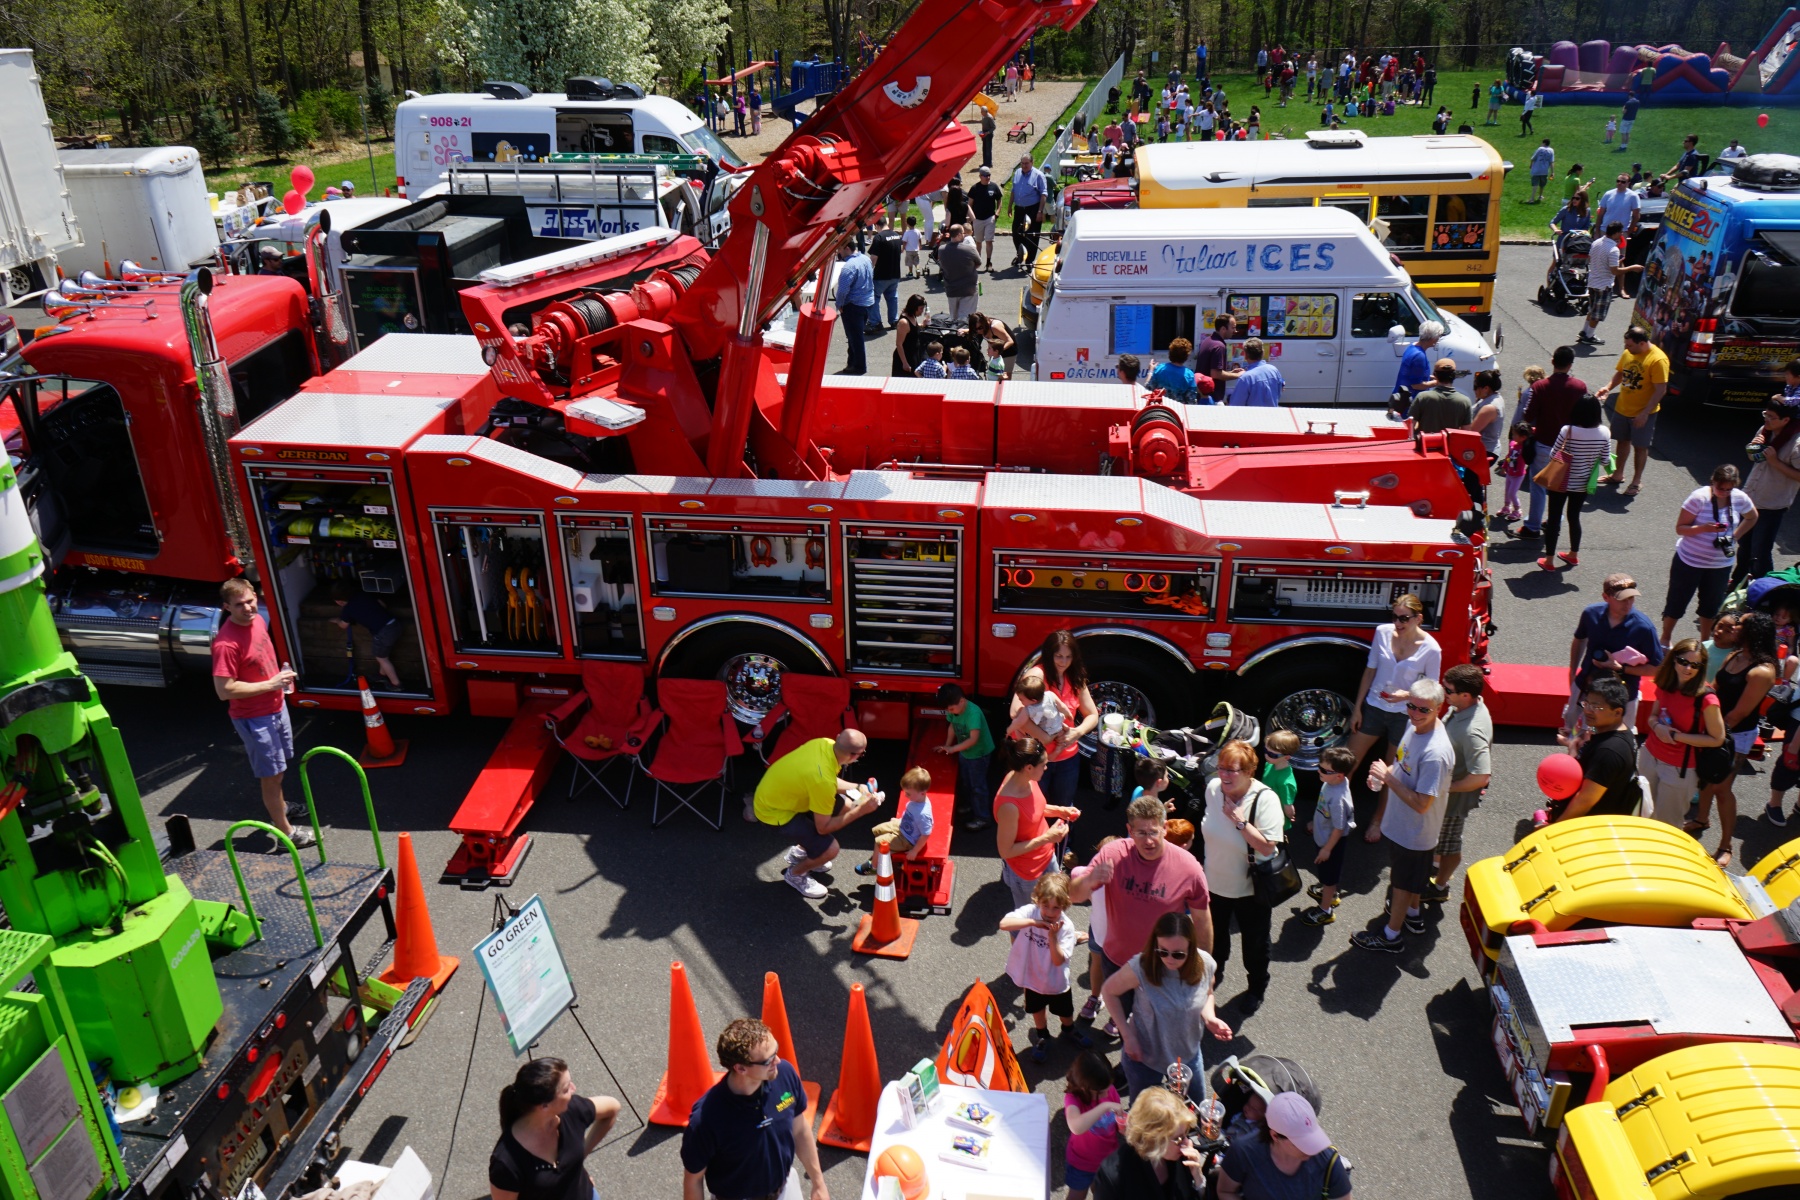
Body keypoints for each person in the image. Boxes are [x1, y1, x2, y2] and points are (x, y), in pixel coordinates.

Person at [1351, 679, 1453, 954]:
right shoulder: (1414, 725)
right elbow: (1403, 764)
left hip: (1415, 834)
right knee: (1411, 880)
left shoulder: (1436, 754)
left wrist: (1389, 779)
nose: (1415, 713)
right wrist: (1385, 777)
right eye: (1412, 706)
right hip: (1401, 827)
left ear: (1439, 709)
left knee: (1401, 884)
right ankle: (1413, 915)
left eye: (1424, 709)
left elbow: (1422, 804)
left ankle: (1391, 936)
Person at [1069, 797, 1213, 987]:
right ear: (1130, 831)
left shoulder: (1189, 868)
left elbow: (1202, 922)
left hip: (1161, 966)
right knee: (1118, 1013)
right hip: (1116, 961)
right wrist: (1089, 879)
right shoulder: (1112, 853)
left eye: (1154, 832)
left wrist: (1202, 972)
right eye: (1141, 832)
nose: (1148, 841)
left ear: (1165, 828)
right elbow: (1073, 896)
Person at [212, 578, 314, 848]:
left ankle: (280, 806)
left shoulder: (257, 620)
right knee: (271, 776)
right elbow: (224, 690)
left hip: (275, 707)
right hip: (255, 718)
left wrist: (277, 677)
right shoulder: (226, 644)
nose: (247, 608)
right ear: (226, 607)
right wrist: (270, 684)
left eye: (250, 600)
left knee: (279, 770)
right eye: (239, 604)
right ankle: (286, 834)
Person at [680, 1019, 827, 1200]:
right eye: (769, 1060)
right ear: (741, 1068)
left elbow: (799, 1130)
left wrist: (818, 1183)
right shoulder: (706, 1119)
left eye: (776, 1051)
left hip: (785, 1188)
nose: (778, 1061)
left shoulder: (785, 1075)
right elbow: (693, 1179)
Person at [1101, 912, 1231, 1105]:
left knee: (1193, 1112)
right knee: (1144, 1118)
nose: (1169, 959)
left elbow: (1207, 993)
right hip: (1144, 1058)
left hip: (1187, 1056)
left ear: (1191, 948)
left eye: (1178, 954)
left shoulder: (1206, 965)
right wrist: (1128, 1036)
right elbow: (1109, 991)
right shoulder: (1142, 966)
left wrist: (1210, 1017)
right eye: (1162, 951)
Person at [1198, 740, 1284, 1008]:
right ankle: (1215, 974)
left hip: (1250, 889)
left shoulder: (1265, 799)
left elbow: (1267, 847)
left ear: (1249, 772)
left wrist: (1239, 821)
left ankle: (1256, 988)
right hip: (1214, 883)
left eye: (1231, 770)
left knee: (1255, 946)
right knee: (1216, 939)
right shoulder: (1213, 789)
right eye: (1221, 767)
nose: (1223, 775)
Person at [752, 729, 884, 900]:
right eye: (863, 753)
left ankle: (802, 852)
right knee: (830, 850)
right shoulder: (822, 780)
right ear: (854, 756)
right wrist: (861, 811)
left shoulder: (823, 743)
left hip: (779, 796)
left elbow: (827, 778)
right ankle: (795, 874)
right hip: (773, 813)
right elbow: (823, 828)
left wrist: (857, 787)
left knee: (846, 807)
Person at [1349, 593, 1441, 824]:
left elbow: (1433, 690)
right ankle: (1334, 816)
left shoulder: (1431, 649)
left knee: (1390, 774)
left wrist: (1407, 695)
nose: (1398, 623)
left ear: (1418, 618)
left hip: (1404, 716)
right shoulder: (1382, 632)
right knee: (1346, 762)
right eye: (1395, 617)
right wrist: (1357, 708)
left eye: (1404, 618)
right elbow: (1370, 671)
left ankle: (1378, 820)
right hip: (1374, 707)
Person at [1696, 611, 1779, 864]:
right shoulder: (1735, 655)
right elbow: (1714, 687)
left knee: (1722, 789)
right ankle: (1701, 819)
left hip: (1735, 735)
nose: (1733, 627)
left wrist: (1711, 734)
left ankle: (1725, 846)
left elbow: (1739, 713)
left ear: (1751, 632)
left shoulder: (1762, 671)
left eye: (1739, 625)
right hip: (1714, 726)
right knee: (1706, 780)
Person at [490, 1058, 622, 1200]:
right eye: (566, 1089)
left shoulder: (573, 1111)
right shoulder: (506, 1163)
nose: (574, 1088)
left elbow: (613, 1107)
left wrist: (579, 1159)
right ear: (545, 1106)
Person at [1663, 464, 1758, 646]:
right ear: (1713, 482)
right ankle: (1666, 637)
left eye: (1728, 489)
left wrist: (1735, 536)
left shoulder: (1739, 498)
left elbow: (1752, 516)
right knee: (1677, 602)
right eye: (1720, 488)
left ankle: (1705, 642)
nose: (1724, 492)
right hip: (1689, 561)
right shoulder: (1698, 498)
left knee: (1710, 606)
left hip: (1719, 564)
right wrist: (1703, 528)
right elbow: (1680, 528)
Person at [1001, 873, 1091, 1060]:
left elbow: (1058, 961)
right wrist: (1035, 922)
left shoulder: (1066, 927)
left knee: (1065, 1011)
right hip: (1032, 979)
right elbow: (1004, 924)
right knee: (1037, 1010)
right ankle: (1042, 1036)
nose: (1050, 912)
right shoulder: (1031, 912)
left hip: (1055, 981)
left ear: (1065, 906)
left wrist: (1051, 937)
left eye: (1056, 908)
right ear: (1038, 901)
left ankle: (1069, 1029)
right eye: (1045, 906)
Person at [1423, 665, 1493, 902]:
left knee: (1449, 846)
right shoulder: (1465, 707)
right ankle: (1435, 868)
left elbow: (1481, 777)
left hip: (1452, 801)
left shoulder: (1472, 731)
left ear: (1465, 695)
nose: (1444, 693)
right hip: (1444, 794)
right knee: (1439, 842)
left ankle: (1439, 888)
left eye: (1448, 690)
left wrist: (1445, 788)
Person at [1639, 638, 1725, 825]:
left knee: (1667, 823)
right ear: (1674, 659)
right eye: (1684, 662)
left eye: (1695, 665)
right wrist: (1657, 727)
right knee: (1643, 814)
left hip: (1679, 768)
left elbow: (1717, 738)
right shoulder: (1665, 684)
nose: (1688, 669)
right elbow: (1652, 716)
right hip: (1650, 756)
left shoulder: (1706, 698)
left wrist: (1676, 736)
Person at [1009, 629, 1099, 807]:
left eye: (1068, 656)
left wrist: (1077, 732)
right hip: (1034, 757)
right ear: (1049, 654)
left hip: (1067, 757)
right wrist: (1044, 737)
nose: (1063, 662)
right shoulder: (1037, 675)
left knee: (1063, 806)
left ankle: (1064, 835)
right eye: (1059, 656)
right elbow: (1015, 712)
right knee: (1034, 807)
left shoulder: (1076, 677)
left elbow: (1093, 715)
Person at [1216, 1091, 1352, 1199]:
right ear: (1275, 1136)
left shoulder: (1329, 1161)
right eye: (1301, 1142)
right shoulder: (1243, 1152)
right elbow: (1226, 1191)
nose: (1313, 1149)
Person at [993, 738, 1078, 907]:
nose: (1046, 768)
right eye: (1044, 764)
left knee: (1055, 906)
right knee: (1028, 924)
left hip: (1047, 857)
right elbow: (1005, 851)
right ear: (1029, 768)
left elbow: (1035, 808)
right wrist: (1047, 838)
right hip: (1027, 873)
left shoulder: (1027, 780)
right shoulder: (1009, 806)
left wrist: (1060, 810)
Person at [1516, 345, 1588, 538]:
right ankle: (1554, 521)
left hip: (1543, 443)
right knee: (1560, 487)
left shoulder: (1540, 387)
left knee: (1538, 486)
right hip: (1568, 447)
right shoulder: (1580, 387)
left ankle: (1532, 526)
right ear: (1571, 364)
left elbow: (1528, 415)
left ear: (1552, 361)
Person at [1536, 393, 1612, 571]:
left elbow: (1553, 454)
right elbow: (1605, 461)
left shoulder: (1567, 431)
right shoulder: (1604, 432)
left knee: (1554, 519)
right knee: (1574, 517)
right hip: (1583, 483)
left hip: (1560, 483)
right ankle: (1573, 555)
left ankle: (1549, 561)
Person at [1550, 676, 1640, 823]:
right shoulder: (1618, 730)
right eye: (1586, 704)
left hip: (1588, 825)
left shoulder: (1609, 752)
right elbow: (1591, 730)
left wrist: (1554, 827)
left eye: (1596, 707)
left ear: (1617, 712)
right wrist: (1578, 735)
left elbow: (1584, 801)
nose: (1587, 711)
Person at [1091, 1086, 1206, 1199]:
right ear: (1154, 1140)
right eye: (1179, 1138)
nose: (1188, 1142)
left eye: (1186, 1133)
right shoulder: (1113, 1176)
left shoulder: (1183, 1157)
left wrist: (1199, 1180)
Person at [1736, 397, 1800, 586]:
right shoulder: (1765, 431)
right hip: (1751, 498)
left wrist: (1775, 462)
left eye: (1771, 416)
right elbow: (1753, 457)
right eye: (1765, 414)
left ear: (1786, 420)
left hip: (1771, 505)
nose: (1766, 419)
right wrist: (1753, 448)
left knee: (1760, 552)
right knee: (1744, 546)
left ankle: (1765, 588)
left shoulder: (1796, 445)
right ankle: (1738, 582)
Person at [1301, 745, 1357, 925]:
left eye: (1325, 770)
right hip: (1324, 836)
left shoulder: (1338, 798)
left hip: (1331, 843)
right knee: (1327, 874)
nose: (1319, 771)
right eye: (1320, 766)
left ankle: (1326, 909)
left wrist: (1326, 849)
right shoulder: (1331, 783)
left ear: (1339, 775)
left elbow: (1339, 828)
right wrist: (1314, 822)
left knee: (1329, 877)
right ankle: (1329, 893)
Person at [1063, 1051, 1124, 1200]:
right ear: (1085, 1087)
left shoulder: (1108, 1091)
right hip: (1081, 1164)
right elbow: (1076, 1127)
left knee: (1101, 1192)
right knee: (1077, 1195)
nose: (1107, 1093)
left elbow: (1117, 1122)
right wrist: (1105, 1107)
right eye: (1102, 1092)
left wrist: (1124, 1126)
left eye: (1109, 1088)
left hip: (1107, 1159)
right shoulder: (1073, 1099)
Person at [936, 681, 994, 830]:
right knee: (966, 781)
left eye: (952, 709)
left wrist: (953, 748)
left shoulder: (973, 713)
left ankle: (983, 817)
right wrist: (947, 745)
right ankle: (969, 805)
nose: (950, 712)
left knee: (978, 786)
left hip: (978, 755)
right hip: (965, 752)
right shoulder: (954, 710)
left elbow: (973, 739)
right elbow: (952, 727)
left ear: (962, 701)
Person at [1576, 223, 1643, 347]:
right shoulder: (1613, 249)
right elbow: (1615, 271)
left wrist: (1613, 262)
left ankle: (1584, 332)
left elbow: (1592, 258)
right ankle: (1589, 336)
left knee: (1592, 309)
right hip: (1604, 285)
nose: (1622, 234)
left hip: (1592, 281)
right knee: (1597, 314)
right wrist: (1632, 268)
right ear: (1616, 233)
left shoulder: (1597, 242)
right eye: (1621, 232)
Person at [857, 765, 932, 874]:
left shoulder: (923, 814)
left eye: (908, 794)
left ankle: (874, 867)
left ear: (923, 793)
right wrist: (900, 820)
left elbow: (926, 834)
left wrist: (915, 851)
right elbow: (911, 815)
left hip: (909, 840)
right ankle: (878, 856)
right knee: (877, 830)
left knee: (879, 842)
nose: (906, 795)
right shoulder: (916, 800)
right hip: (904, 827)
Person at [330, 579, 403, 689]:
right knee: (384, 655)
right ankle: (382, 675)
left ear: (340, 602)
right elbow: (382, 604)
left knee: (382, 658)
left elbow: (344, 625)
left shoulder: (348, 609)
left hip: (382, 632)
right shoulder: (363, 595)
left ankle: (396, 684)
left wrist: (337, 620)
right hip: (394, 624)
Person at [833, 243, 874, 375]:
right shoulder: (866, 259)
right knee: (855, 337)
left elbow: (842, 290)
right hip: (866, 303)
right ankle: (852, 362)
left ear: (847, 248)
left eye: (840, 249)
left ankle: (859, 366)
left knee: (855, 338)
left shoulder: (849, 267)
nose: (839, 252)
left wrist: (839, 305)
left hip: (853, 306)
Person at [1391, 321, 1443, 415]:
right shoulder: (1419, 356)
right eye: (1438, 336)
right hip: (1408, 403)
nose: (1438, 339)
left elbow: (1415, 374)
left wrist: (1431, 377)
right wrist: (1437, 382)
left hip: (1400, 396)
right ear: (1432, 338)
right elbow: (1416, 384)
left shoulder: (1412, 347)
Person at [1008, 153, 1050, 268]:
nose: (1024, 165)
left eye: (1027, 163)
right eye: (1022, 163)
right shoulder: (1017, 173)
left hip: (1033, 209)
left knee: (1031, 236)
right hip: (1019, 209)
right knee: (1016, 234)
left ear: (1032, 163)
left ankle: (1029, 261)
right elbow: (1013, 190)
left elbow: (1043, 194)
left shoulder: (1038, 175)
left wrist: (1040, 212)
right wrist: (1010, 205)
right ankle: (1020, 255)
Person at [1409, 359, 1473, 433]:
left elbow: (1411, 426)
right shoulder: (1465, 401)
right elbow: (1466, 432)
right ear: (1454, 376)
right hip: (1449, 444)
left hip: (1425, 443)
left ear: (1435, 375)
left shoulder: (1422, 397)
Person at [938, 225, 981, 322]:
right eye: (963, 233)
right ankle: (964, 336)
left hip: (951, 289)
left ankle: (955, 335)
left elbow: (941, 264)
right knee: (966, 319)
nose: (964, 236)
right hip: (968, 289)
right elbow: (978, 263)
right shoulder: (970, 249)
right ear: (958, 235)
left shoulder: (941, 250)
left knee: (954, 318)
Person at [1194, 314, 1243, 399]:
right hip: (1212, 397)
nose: (1235, 331)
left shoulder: (1207, 340)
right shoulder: (1219, 346)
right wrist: (1239, 375)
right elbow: (1216, 374)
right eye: (1233, 327)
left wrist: (1231, 373)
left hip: (1202, 394)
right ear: (1223, 329)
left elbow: (1210, 370)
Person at [867, 217, 903, 329]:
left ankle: (875, 322)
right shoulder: (896, 235)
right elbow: (901, 250)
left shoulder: (879, 237)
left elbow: (873, 257)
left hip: (881, 274)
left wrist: (869, 271)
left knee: (873, 297)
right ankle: (894, 321)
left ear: (877, 225)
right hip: (895, 273)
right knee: (892, 297)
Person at [1260, 729, 1299, 827]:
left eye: (1272, 754)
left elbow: (1288, 806)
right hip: (1264, 809)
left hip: (1276, 819)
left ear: (1286, 757)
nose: (1266, 755)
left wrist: (1290, 815)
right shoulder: (1269, 764)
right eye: (1265, 750)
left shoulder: (1285, 783)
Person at [1231, 338, 1284, 407]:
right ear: (1263, 353)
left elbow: (1236, 405)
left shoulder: (1245, 378)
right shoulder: (1274, 370)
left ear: (1246, 356)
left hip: (1253, 416)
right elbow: (1279, 393)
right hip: (1272, 415)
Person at [968, 167, 1003, 270]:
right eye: (985, 175)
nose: (987, 177)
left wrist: (997, 212)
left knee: (989, 241)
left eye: (989, 175)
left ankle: (988, 262)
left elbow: (999, 199)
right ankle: (978, 261)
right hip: (977, 218)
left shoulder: (994, 187)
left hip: (990, 218)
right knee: (978, 242)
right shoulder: (975, 188)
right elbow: (969, 204)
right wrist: (971, 217)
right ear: (980, 176)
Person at [1469, 369, 1506, 463]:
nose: (1474, 390)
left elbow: (1471, 432)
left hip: (1485, 451)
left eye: (1476, 387)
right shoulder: (1494, 396)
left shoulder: (1489, 408)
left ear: (1486, 388)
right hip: (1487, 448)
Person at [969, 311, 1017, 380]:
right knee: (993, 374)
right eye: (975, 329)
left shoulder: (995, 327)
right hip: (995, 352)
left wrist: (997, 351)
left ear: (984, 323)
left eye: (980, 328)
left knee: (1004, 379)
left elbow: (1010, 341)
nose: (978, 331)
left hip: (1008, 352)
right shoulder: (981, 328)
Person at [1593, 174, 1642, 241]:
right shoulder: (1608, 194)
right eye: (1618, 181)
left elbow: (1636, 216)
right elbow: (1600, 214)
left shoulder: (1633, 196)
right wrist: (1597, 232)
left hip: (1621, 233)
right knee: (1603, 251)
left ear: (1628, 183)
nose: (1619, 183)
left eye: (1623, 182)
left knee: (1619, 252)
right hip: (1605, 231)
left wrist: (1628, 232)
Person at [891, 294, 927, 376]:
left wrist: (922, 325)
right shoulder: (904, 322)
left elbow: (912, 329)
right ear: (914, 307)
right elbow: (899, 344)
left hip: (914, 354)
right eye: (921, 308)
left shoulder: (912, 315)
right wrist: (905, 363)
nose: (922, 311)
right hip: (906, 357)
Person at [1528, 138, 1554, 204]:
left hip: (1536, 169)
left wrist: (1531, 165)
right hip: (1545, 171)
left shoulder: (1540, 149)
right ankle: (1540, 196)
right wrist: (1552, 172)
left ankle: (1532, 198)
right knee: (1542, 184)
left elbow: (1533, 158)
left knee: (1535, 184)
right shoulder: (1551, 150)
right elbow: (1551, 162)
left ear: (1544, 143)